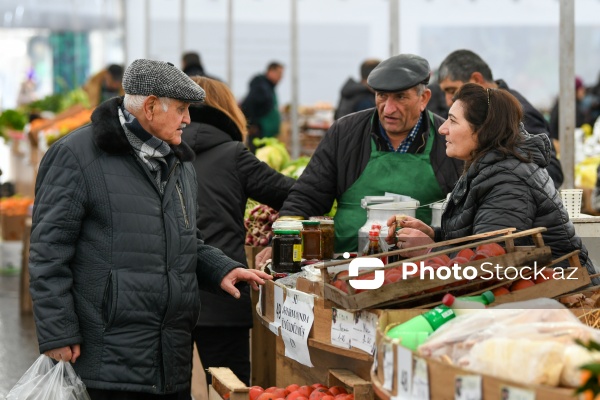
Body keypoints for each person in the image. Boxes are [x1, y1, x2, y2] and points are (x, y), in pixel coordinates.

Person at [28, 59, 272, 400]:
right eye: (183, 109)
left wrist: (222, 268)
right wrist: (58, 333)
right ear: (151, 106)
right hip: (106, 360)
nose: (188, 119)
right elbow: (48, 253)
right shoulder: (76, 155)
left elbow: (184, 239)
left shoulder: (179, 161)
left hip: (170, 359)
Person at [255, 53, 463, 265]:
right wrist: (282, 240)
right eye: (382, 96)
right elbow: (308, 195)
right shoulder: (345, 132)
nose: (388, 108)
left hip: (419, 267)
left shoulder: (447, 138)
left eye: (400, 97)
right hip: (344, 264)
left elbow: (463, 214)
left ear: (424, 99)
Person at [386, 83, 597, 282]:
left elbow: (491, 263)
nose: (443, 129)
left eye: (453, 120)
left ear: (482, 130)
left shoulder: (510, 181)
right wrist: (434, 235)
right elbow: (478, 236)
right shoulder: (491, 168)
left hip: (563, 298)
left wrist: (430, 251)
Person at [181, 76, 294, 386]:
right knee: (231, 389)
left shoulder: (155, 153)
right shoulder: (232, 154)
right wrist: (278, 239)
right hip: (222, 294)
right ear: (229, 111)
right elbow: (297, 195)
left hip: (166, 297)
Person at [437, 49, 564, 189]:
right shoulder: (488, 110)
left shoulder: (518, 113)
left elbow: (551, 170)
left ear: (477, 80)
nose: (448, 100)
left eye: (452, 90)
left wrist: (503, 187)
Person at [240, 61, 284, 152]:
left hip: (267, 135)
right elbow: (248, 104)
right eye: (279, 73)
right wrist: (252, 124)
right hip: (259, 133)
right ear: (271, 71)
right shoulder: (261, 87)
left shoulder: (268, 87)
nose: (281, 77)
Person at [548, 77, 589, 143]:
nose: (583, 90)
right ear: (575, 90)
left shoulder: (563, 104)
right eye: (581, 88)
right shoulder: (569, 107)